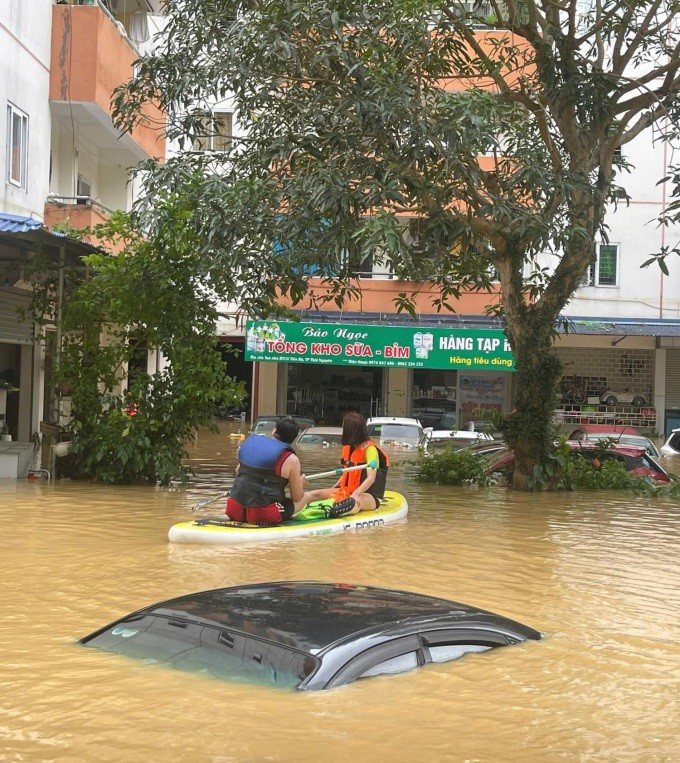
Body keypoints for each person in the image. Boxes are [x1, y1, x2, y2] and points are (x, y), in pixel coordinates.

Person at [302, 411, 389, 516]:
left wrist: (356, 494)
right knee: (316, 493)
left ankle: (334, 511)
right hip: (346, 490)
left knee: (356, 501)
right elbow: (346, 473)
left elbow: (371, 478)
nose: (342, 429)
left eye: (344, 427)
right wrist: (333, 488)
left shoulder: (370, 449)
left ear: (351, 430)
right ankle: (293, 503)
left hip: (367, 495)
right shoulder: (349, 448)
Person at [226, 417, 306, 524]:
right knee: (305, 498)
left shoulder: (250, 443)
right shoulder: (292, 459)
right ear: (294, 439)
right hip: (262, 515)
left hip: (233, 509)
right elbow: (297, 497)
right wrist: (300, 484)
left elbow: (238, 472)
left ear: (274, 430)